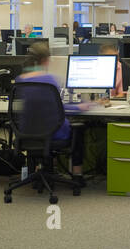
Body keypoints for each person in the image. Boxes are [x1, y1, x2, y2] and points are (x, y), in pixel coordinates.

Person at [16, 41, 102, 178]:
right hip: (52, 134)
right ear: (46, 60)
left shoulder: (20, 79)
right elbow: (59, 108)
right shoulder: (50, 80)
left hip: (26, 132)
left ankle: (36, 171)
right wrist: (80, 106)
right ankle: (77, 175)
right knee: (78, 129)